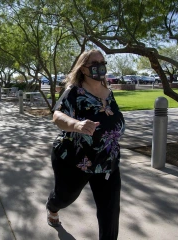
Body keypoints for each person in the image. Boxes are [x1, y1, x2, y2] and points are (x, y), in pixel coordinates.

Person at [46, 49, 125, 240]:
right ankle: (53, 207)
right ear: (83, 68)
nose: (100, 67)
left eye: (102, 62)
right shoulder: (74, 91)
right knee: (65, 197)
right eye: (94, 63)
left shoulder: (109, 93)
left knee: (110, 213)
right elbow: (57, 115)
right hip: (75, 160)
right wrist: (77, 124)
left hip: (107, 162)